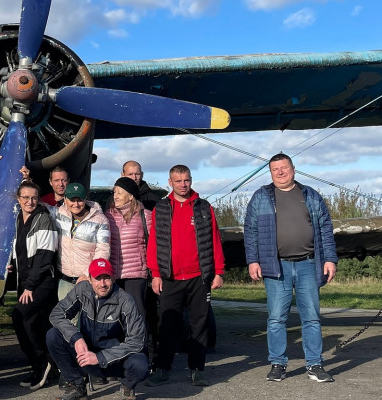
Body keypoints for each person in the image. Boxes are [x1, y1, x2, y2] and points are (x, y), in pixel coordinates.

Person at [244, 153, 338, 383]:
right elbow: (251, 231)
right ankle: (278, 364)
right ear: (270, 172)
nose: (280, 172)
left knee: (312, 318)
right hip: (276, 267)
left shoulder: (311, 196)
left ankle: (314, 365)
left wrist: (330, 258)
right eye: (275, 169)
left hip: (308, 264)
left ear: (293, 169)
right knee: (276, 318)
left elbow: (325, 229)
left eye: (284, 167)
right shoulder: (260, 197)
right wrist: (253, 260)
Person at [145, 165, 224, 387]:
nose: (183, 185)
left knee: (199, 325)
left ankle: (197, 369)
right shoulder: (161, 208)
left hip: (199, 276)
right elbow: (154, 244)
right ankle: (162, 369)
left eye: (187, 180)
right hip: (170, 278)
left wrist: (218, 271)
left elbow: (214, 240)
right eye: (178, 181)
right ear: (170, 182)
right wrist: (156, 274)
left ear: (191, 180)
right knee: (168, 325)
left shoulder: (203, 207)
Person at [45, 258, 149, 400]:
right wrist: (76, 338)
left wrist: (100, 357)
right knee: (53, 335)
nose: (102, 284)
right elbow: (56, 314)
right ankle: (76, 386)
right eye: (97, 278)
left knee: (141, 364)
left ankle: (128, 386)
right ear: (90, 279)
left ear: (113, 278)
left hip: (114, 360)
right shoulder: (82, 290)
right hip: (86, 355)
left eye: (106, 278)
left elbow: (137, 341)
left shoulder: (126, 301)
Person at [9, 180, 60, 389]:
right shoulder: (19, 219)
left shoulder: (43, 218)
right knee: (39, 322)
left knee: (20, 315)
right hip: (26, 280)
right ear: (19, 199)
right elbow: (20, 250)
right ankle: (49, 364)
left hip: (41, 281)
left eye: (33, 197)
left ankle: (41, 362)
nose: (30, 201)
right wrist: (11, 266)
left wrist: (30, 286)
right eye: (25, 197)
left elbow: (45, 256)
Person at [105, 176, 152, 348]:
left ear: (131, 196)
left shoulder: (144, 216)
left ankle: (141, 354)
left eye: (119, 192)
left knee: (136, 316)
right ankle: (119, 356)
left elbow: (153, 245)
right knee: (115, 318)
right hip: (114, 276)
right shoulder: (107, 215)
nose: (115, 196)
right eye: (114, 192)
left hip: (136, 275)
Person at [53, 182, 110, 300]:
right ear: (65, 199)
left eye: (79, 200)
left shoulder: (100, 220)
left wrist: (87, 274)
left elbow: (103, 251)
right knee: (66, 317)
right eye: (72, 200)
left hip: (89, 281)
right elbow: (33, 203)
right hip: (66, 280)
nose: (76, 204)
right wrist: (26, 179)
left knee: (88, 316)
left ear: (85, 199)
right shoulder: (58, 213)